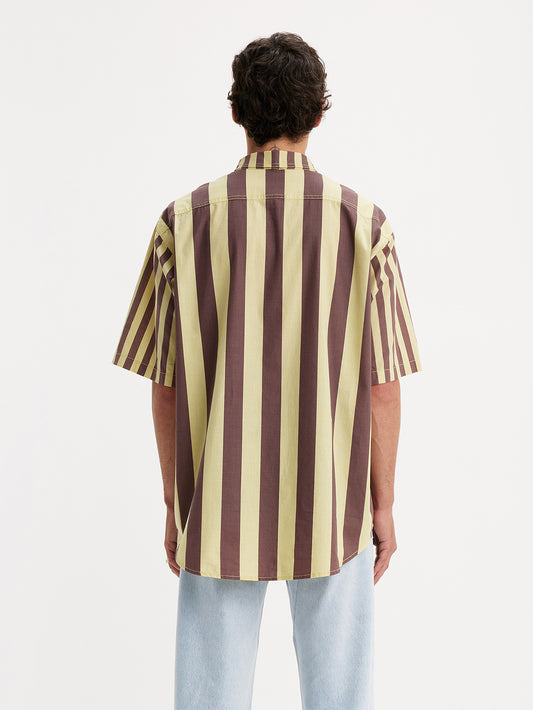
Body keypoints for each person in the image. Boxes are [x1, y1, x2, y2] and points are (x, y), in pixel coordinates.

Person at [111, 31, 422, 710]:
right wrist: (382, 504)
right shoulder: (365, 225)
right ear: (318, 115)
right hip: (334, 497)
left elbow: (165, 387)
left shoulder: (182, 223)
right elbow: (382, 386)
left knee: (209, 698)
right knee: (341, 697)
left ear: (236, 113)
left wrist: (174, 503)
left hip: (216, 498)